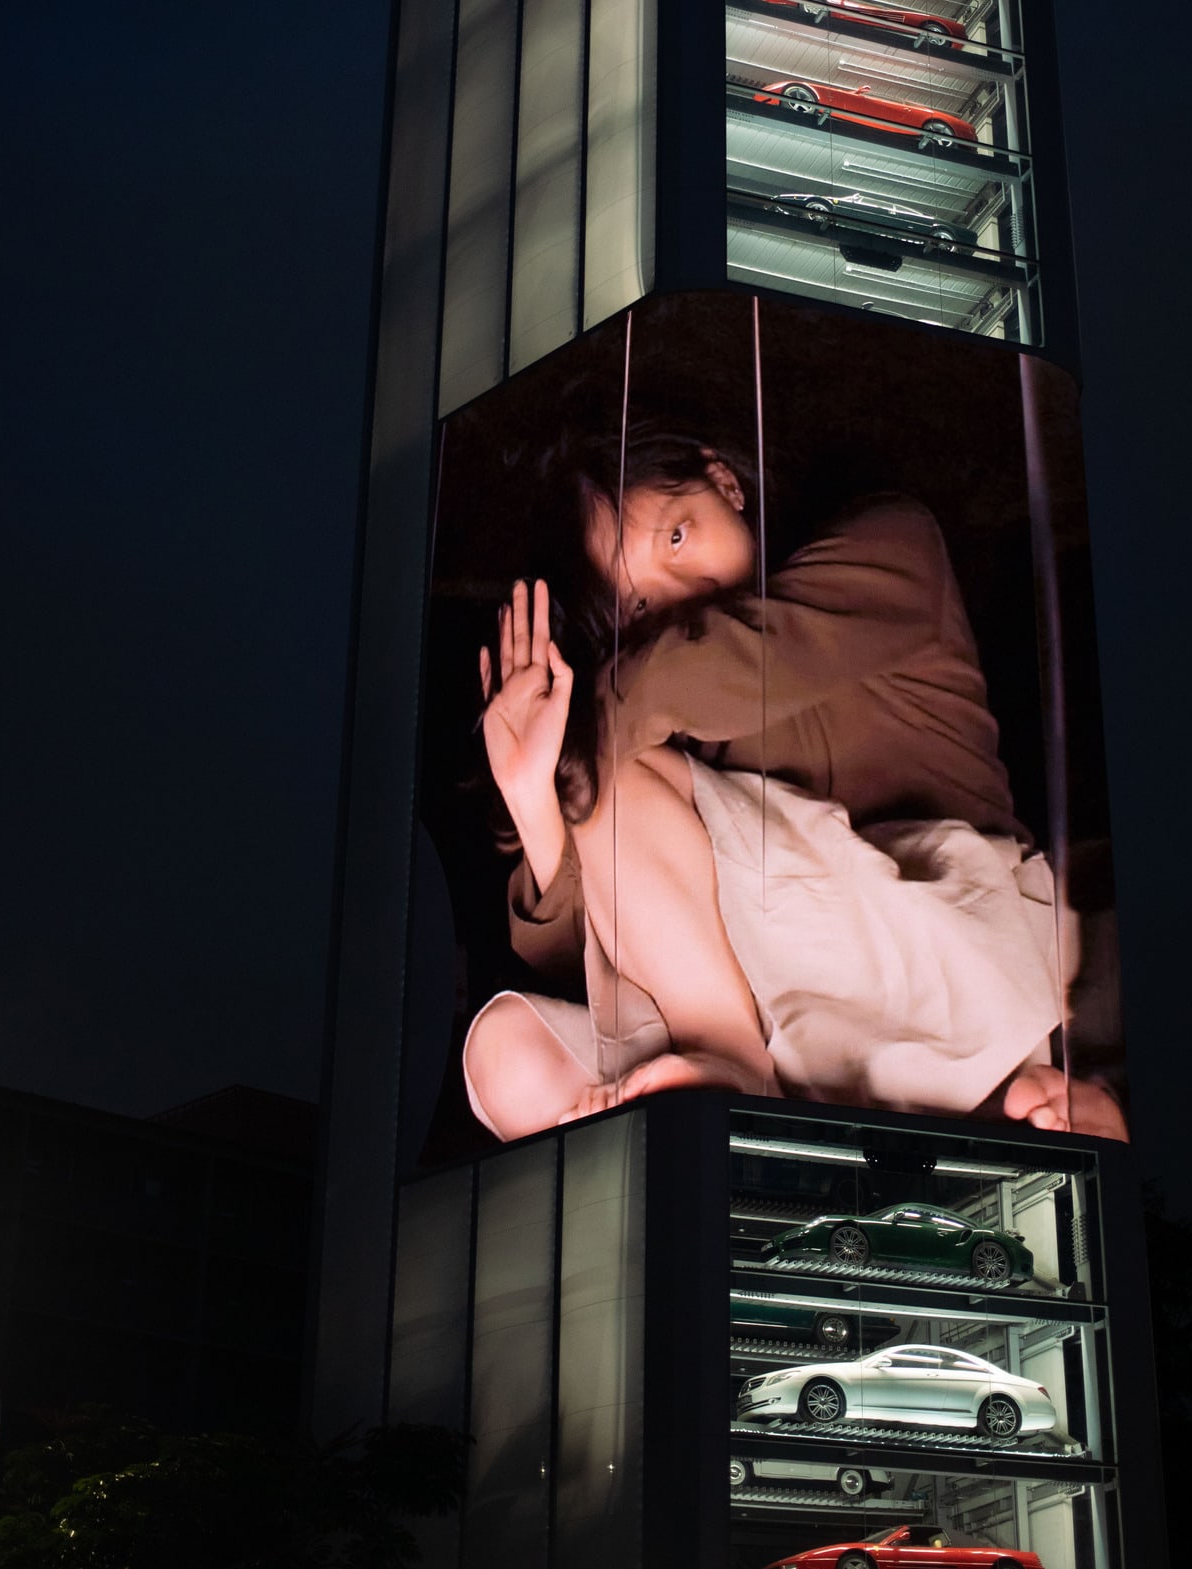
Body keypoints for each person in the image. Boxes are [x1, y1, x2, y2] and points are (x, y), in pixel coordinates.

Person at [462, 423, 1126, 1142]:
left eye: (676, 537)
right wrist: (532, 795)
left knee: (608, 782)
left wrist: (575, 740)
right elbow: (587, 944)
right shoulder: (657, 723)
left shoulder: (888, 548)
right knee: (506, 1060)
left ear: (724, 482)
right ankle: (755, 1109)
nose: (684, 594)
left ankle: (744, 1074)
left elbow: (728, 668)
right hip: (791, 1023)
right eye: (641, 609)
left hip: (944, 964)